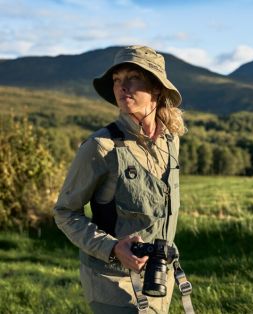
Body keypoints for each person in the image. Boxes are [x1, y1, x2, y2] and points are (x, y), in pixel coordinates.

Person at [53, 45, 187, 314]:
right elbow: (65, 212)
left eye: (132, 78)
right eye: (116, 80)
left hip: (161, 278)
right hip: (112, 283)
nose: (121, 87)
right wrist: (113, 248)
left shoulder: (171, 140)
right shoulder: (101, 146)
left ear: (157, 89)